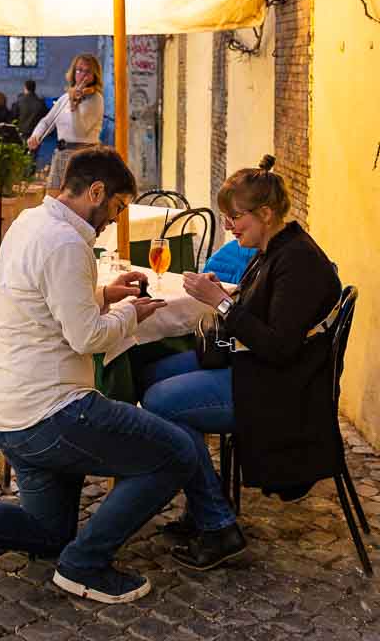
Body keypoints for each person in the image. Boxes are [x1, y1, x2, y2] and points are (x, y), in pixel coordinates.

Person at [0, 146, 200, 606]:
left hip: (12, 417)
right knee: (175, 452)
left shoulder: (30, 222)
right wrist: (129, 313)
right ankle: (85, 565)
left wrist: (104, 293)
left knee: (49, 530)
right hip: (55, 414)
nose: (112, 220)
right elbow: (87, 338)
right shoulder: (68, 244)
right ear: (96, 191)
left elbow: (45, 302)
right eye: (116, 208)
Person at [140, 155, 341, 572]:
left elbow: (278, 347)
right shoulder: (274, 248)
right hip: (257, 370)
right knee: (149, 376)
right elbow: (262, 313)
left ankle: (217, 523)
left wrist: (223, 303)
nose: (229, 227)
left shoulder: (297, 260)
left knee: (162, 403)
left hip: (280, 389)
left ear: (265, 214)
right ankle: (204, 502)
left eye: (236, 218)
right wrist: (225, 294)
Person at [27, 54, 104, 192]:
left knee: (75, 201)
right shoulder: (64, 98)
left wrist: (74, 107)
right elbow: (47, 121)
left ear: (94, 75)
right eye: (79, 70)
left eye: (87, 71)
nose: (82, 75)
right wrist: (36, 135)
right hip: (61, 154)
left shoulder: (95, 99)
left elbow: (80, 131)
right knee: (52, 198)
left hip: (83, 156)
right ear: (73, 72)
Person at [11, 78, 48, 147]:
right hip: (35, 136)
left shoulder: (19, 101)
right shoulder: (41, 103)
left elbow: (13, 117)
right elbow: (45, 119)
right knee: (32, 156)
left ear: (25, 88)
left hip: (21, 134)